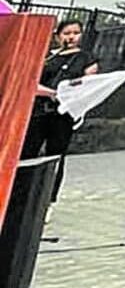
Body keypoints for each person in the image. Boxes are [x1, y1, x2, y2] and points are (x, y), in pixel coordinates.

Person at [30, 19, 98, 197]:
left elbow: (87, 84)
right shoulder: (47, 57)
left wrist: (65, 94)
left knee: (56, 155)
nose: (72, 37)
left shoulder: (86, 58)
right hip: (38, 109)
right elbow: (30, 79)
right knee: (28, 151)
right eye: (67, 33)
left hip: (63, 113)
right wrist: (50, 92)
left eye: (76, 33)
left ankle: (49, 197)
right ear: (58, 36)